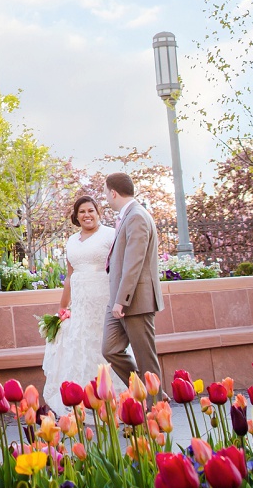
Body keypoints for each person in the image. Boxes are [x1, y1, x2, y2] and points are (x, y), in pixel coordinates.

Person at [41, 194, 118, 411]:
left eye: (90, 210)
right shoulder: (71, 241)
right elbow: (69, 277)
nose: (87, 215)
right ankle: (84, 398)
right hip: (81, 303)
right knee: (82, 346)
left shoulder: (110, 235)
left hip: (104, 297)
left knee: (104, 344)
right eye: (82, 212)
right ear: (76, 216)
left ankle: (112, 396)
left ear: (98, 213)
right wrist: (63, 308)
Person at [102, 170, 162, 385]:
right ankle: (146, 391)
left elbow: (133, 262)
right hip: (118, 300)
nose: (106, 198)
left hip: (134, 300)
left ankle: (155, 407)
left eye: (106, 193)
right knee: (110, 350)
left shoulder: (137, 216)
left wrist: (121, 300)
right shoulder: (127, 216)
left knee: (147, 361)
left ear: (114, 193)